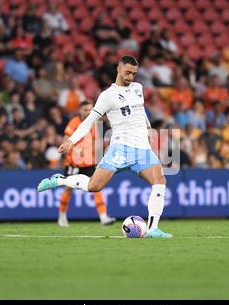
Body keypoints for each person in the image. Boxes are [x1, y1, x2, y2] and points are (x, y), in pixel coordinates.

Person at [37, 56, 172, 238]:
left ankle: (153, 228)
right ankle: (60, 180)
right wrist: (71, 140)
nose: (131, 77)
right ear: (119, 68)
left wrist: (148, 126)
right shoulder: (107, 96)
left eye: (134, 73)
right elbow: (88, 122)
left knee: (160, 182)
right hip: (120, 148)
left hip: (142, 150)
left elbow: (140, 111)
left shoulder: (138, 88)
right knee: (94, 186)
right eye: (128, 73)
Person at [57, 100, 116, 227]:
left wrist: (98, 157)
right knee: (68, 189)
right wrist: (76, 150)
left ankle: (103, 217)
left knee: (97, 187)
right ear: (80, 110)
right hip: (74, 163)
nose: (88, 112)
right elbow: (66, 140)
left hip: (89, 162)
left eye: (90, 109)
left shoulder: (94, 123)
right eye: (85, 109)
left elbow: (96, 142)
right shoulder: (74, 122)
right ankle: (62, 216)